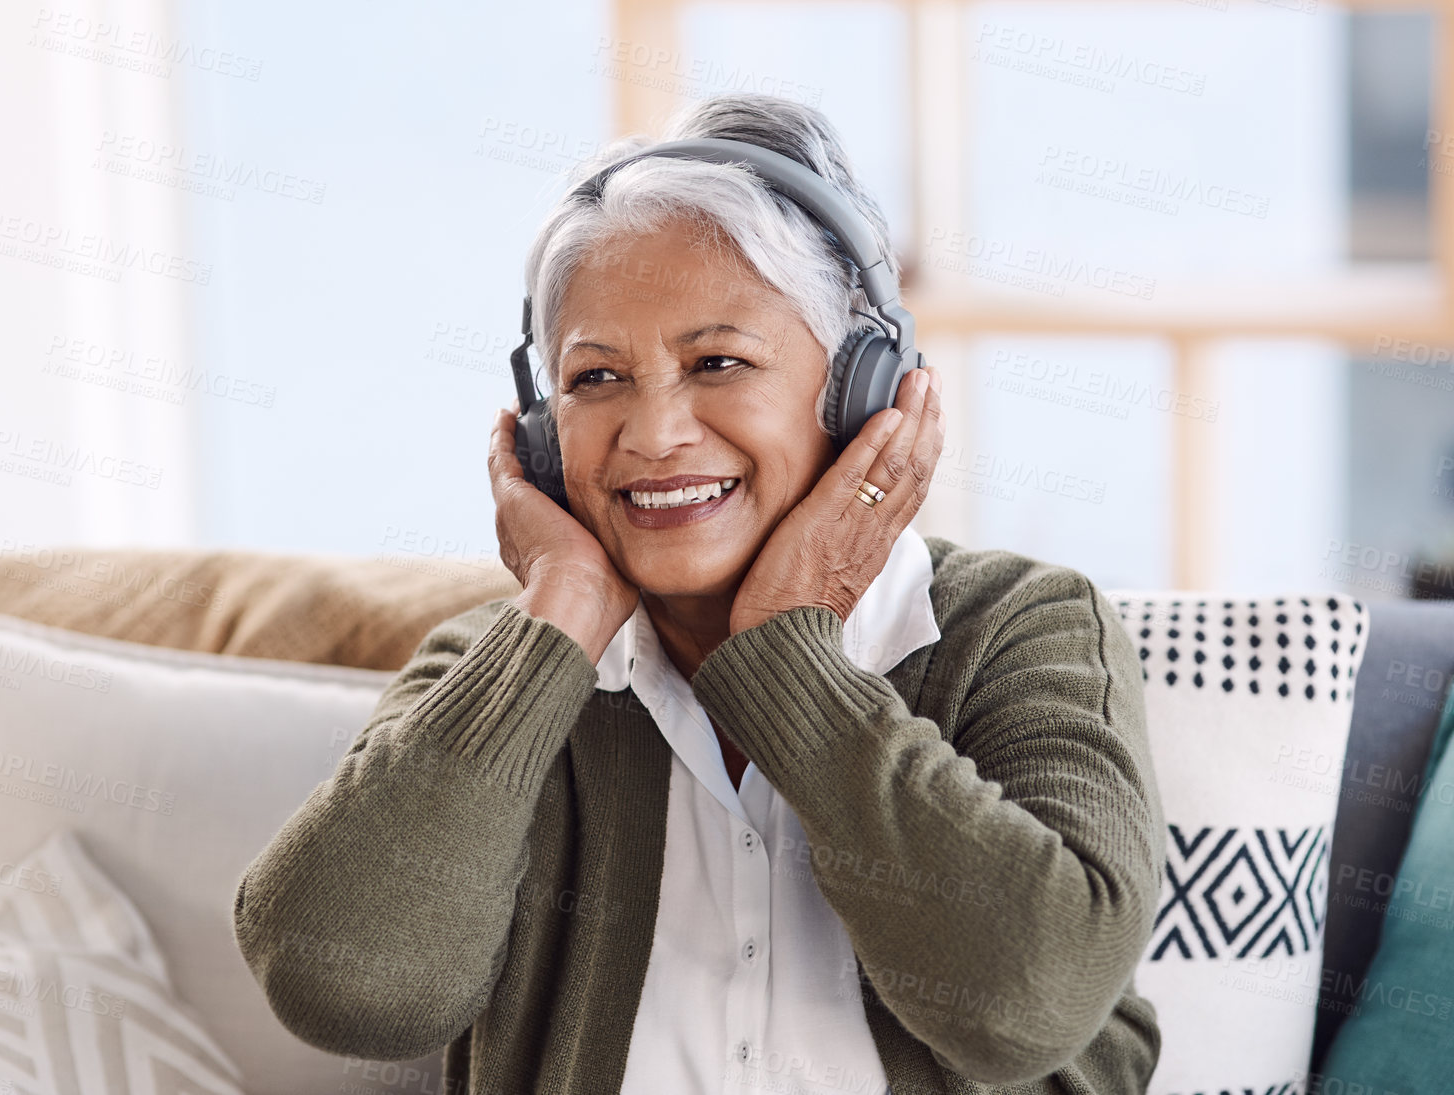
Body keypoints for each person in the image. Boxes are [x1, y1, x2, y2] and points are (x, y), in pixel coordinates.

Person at [234, 92, 1166, 1094]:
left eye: (718, 361)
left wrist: (786, 656)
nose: (654, 433)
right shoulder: (496, 668)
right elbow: (345, 991)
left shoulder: (1019, 628)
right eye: (596, 379)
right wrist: (556, 616)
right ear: (545, 435)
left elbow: (1030, 1003)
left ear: (863, 392)